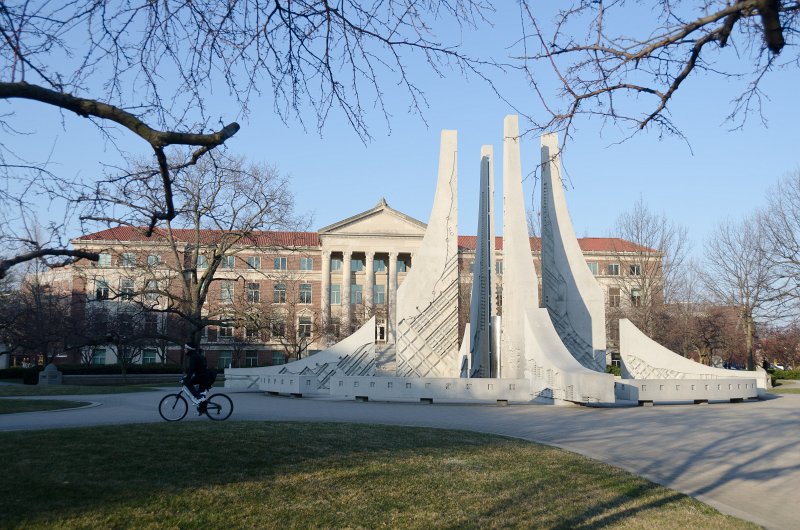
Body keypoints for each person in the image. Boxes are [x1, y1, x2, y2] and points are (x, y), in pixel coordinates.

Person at [183, 344, 216, 413]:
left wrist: (186, 379)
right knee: (201, 395)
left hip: (202, 377)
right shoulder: (196, 355)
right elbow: (194, 369)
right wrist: (187, 377)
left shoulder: (193, 357)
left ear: (189, 349)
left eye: (185, 348)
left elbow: (191, 370)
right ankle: (202, 409)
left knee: (188, 383)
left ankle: (198, 398)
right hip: (204, 377)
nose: (184, 350)